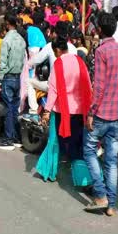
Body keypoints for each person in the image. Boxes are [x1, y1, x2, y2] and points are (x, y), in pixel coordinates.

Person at [83, 13, 118, 217]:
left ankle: (100, 194)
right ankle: (111, 204)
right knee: (111, 160)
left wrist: (91, 112)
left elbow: (99, 86)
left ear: (100, 30)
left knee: (89, 151)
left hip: (102, 112)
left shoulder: (101, 51)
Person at [37, 36, 93, 184]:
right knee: (77, 144)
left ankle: (49, 173)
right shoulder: (80, 61)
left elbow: (53, 89)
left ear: (57, 50)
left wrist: (47, 111)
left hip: (62, 110)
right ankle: (82, 179)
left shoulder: (58, 63)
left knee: (54, 141)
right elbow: (88, 83)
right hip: (79, 109)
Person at [0, 14, 26, 150]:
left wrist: (0, 80)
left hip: (8, 76)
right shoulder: (21, 40)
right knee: (14, 108)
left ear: (8, 24)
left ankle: (8, 138)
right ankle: (15, 137)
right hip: (17, 76)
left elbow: (2, 62)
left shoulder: (6, 40)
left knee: (9, 108)